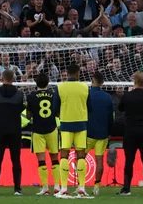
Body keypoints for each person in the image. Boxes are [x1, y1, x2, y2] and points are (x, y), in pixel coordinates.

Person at [118, 72, 143, 196]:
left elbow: (120, 108)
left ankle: (126, 188)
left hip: (130, 131)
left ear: (134, 81)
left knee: (129, 160)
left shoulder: (127, 96)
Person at [0, 68, 24, 195]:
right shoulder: (19, 94)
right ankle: (17, 188)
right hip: (14, 130)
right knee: (16, 160)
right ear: (13, 79)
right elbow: (21, 108)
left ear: (2, 78)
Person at [57, 63, 90, 197]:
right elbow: (90, 106)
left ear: (67, 73)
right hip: (81, 124)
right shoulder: (85, 87)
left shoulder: (60, 87)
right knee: (81, 155)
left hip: (65, 124)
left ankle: (64, 188)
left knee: (64, 155)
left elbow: (55, 109)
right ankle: (82, 188)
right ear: (78, 74)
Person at [27, 72, 59, 196]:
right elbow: (57, 113)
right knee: (55, 159)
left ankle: (45, 187)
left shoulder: (31, 96)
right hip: (52, 128)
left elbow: (29, 116)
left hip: (37, 130)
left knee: (41, 160)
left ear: (36, 83)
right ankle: (57, 186)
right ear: (48, 82)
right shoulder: (53, 95)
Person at [87, 72, 113, 196]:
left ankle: (80, 185)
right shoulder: (108, 97)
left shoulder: (86, 94)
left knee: (80, 158)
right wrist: (109, 132)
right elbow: (110, 117)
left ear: (92, 80)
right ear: (102, 83)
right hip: (102, 133)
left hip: (87, 132)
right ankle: (97, 187)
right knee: (100, 161)